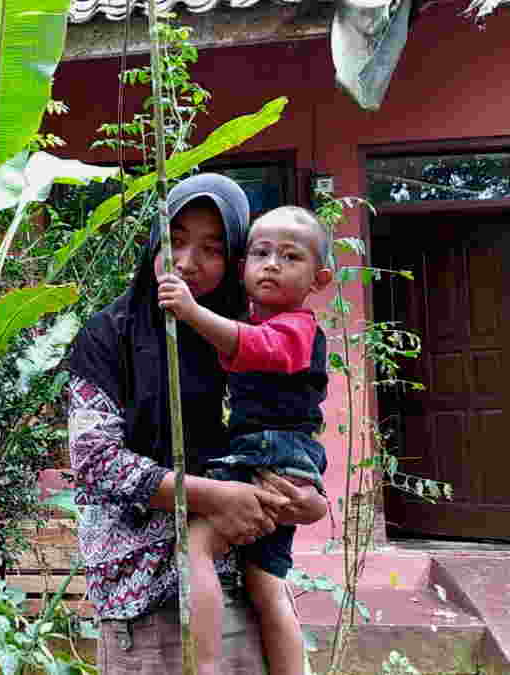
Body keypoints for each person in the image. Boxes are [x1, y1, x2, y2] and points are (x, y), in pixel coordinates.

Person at [67, 174, 326, 673]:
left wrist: (310, 503)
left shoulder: (249, 337)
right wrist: (215, 496)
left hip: (242, 595)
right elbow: (96, 463)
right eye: (176, 241)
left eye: (212, 249)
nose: (186, 262)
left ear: (234, 260)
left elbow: (289, 429)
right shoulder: (109, 336)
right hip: (143, 602)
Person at [158, 205, 333, 675]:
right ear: (243, 266)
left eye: (290, 257)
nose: (272, 264)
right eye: (261, 253)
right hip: (279, 459)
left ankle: (205, 666)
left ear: (319, 280)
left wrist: (192, 312)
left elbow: (251, 345)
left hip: (271, 456)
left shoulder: (297, 327)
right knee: (265, 584)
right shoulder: (256, 319)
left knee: (195, 547)